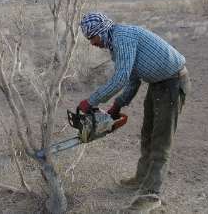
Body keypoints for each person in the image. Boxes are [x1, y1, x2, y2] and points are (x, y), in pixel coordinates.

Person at [77, 12, 190, 210]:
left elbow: (120, 78)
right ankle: (141, 179)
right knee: (147, 135)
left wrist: (91, 100)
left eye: (92, 37)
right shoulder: (116, 43)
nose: (92, 43)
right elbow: (132, 80)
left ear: (101, 32)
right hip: (157, 84)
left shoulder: (123, 37)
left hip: (172, 84)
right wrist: (118, 105)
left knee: (161, 140)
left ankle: (151, 195)